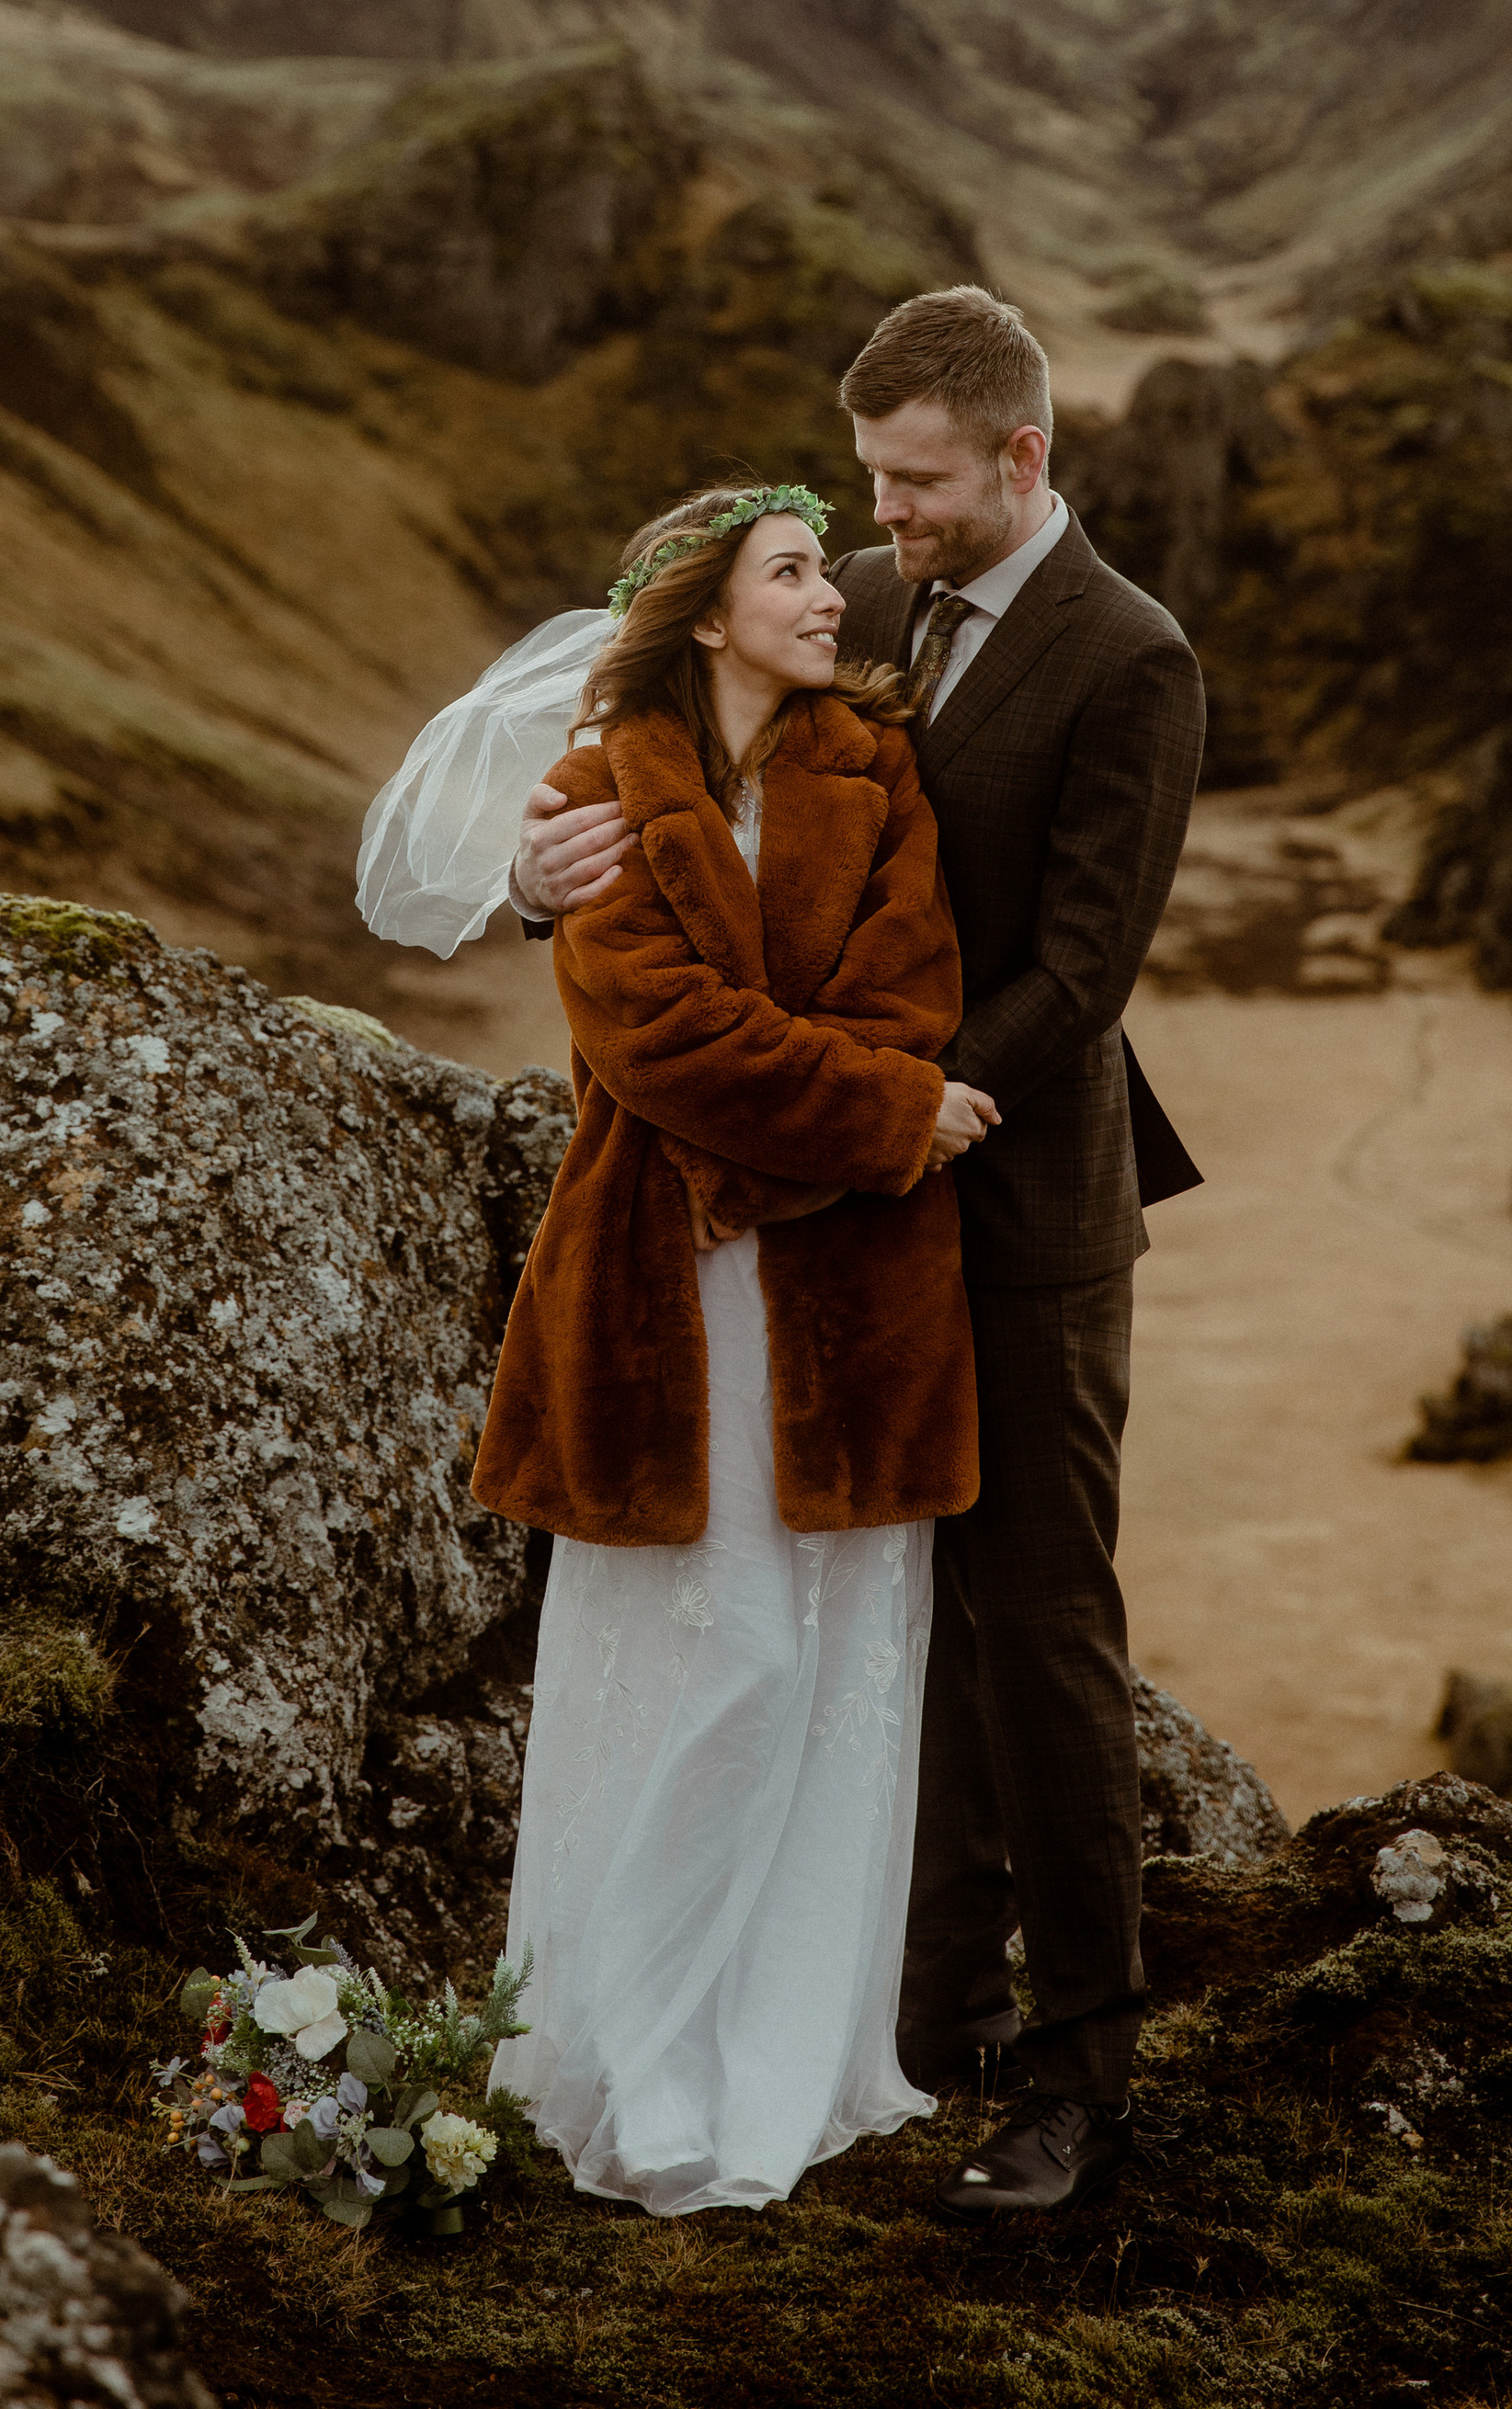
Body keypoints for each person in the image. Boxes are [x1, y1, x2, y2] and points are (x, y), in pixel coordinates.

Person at [512, 288, 1206, 2218]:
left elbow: (1085, 965)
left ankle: (1080, 2077)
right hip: (843, 1215)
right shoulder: (862, 611)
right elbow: (673, 784)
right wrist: (533, 877)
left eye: (914, 484)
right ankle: (920, 2009)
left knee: (1038, 1625)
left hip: (1018, 1204)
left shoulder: (1130, 657)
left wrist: (910, 1105)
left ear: (1020, 459)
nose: (878, 522)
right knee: (893, 1613)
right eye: (866, 488)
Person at [468, 479, 997, 2214]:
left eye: (825, 571)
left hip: (857, 1296)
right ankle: (627, 2056)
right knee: (730, 1656)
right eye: (792, 573)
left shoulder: (880, 770)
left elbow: (909, 1002)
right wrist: (885, 1120)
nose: (832, 595)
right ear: (705, 611)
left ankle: (786, 2059)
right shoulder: (596, 792)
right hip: (666, 1290)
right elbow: (656, 1034)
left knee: (838, 1671)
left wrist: (783, 1143)